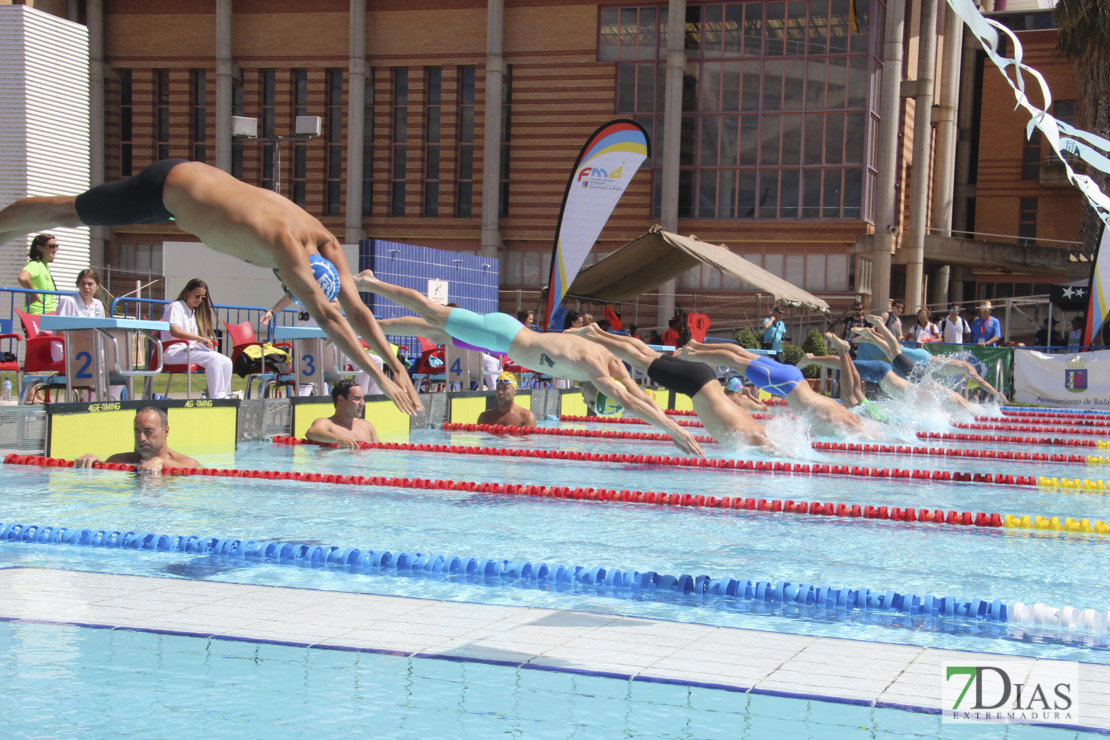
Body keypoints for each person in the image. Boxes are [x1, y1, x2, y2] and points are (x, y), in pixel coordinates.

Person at [0, 159, 421, 415]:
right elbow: (330, 316)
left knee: (76, 212)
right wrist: (377, 376)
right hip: (165, 190)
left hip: (189, 196)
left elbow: (357, 309)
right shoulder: (285, 243)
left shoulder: (325, 241)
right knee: (68, 212)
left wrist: (394, 364)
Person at [354, 270, 704, 456]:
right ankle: (370, 282)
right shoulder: (593, 370)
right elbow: (628, 400)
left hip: (503, 341)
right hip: (504, 335)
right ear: (599, 393)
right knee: (431, 312)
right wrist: (674, 430)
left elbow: (638, 395)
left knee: (434, 329)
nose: (584, 402)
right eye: (591, 402)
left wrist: (670, 422)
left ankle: (366, 328)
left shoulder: (611, 365)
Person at [568, 324, 772, 449]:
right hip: (695, 384)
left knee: (644, 354)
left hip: (703, 378)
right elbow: (764, 443)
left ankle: (595, 332)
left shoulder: (752, 425)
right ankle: (592, 335)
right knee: (639, 358)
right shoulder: (752, 435)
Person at [674, 339, 878, 438]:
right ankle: (692, 355)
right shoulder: (840, 419)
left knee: (740, 354)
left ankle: (697, 345)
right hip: (782, 384)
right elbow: (862, 432)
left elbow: (862, 425)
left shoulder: (842, 410)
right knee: (736, 360)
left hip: (794, 377)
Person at [161, 279, 233, 399]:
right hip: (173, 352)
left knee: (226, 362)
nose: (199, 300)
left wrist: (202, 343)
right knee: (213, 358)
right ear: (187, 292)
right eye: (197, 296)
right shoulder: (176, 306)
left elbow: (191, 339)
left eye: (202, 298)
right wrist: (201, 338)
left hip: (187, 350)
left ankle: (226, 395)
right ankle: (217, 397)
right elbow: (175, 331)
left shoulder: (191, 311)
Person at [74, 407, 198, 473]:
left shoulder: (187, 463)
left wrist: (161, 461)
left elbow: (189, 471)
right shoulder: (119, 460)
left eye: (148, 431)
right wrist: (90, 463)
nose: (141, 438)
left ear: (166, 431)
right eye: (137, 432)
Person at [305, 378, 379, 448]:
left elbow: (378, 452)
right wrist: (340, 439)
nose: (363, 403)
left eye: (362, 398)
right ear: (340, 399)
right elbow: (311, 432)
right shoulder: (327, 423)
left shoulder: (367, 426)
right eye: (356, 399)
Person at [17, 234, 59, 315]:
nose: (55, 249)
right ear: (40, 248)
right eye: (52, 246)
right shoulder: (35, 264)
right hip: (36, 314)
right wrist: (34, 294)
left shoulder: (44, 266)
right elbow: (22, 278)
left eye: (57, 246)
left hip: (47, 315)